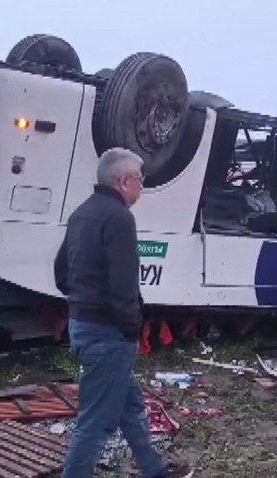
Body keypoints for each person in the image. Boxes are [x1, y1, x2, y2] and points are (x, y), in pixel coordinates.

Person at [54, 148, 192, 478]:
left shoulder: (82, 213)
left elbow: (61, 272)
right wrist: (131, 328)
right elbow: (123, 283)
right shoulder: (118, 218)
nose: (142, 187)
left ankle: (155, 469)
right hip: (109, 333)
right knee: (95, 421)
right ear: (123, 181)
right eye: (140, 180)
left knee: (131, 405)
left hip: (82, 324)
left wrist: (82, 300)